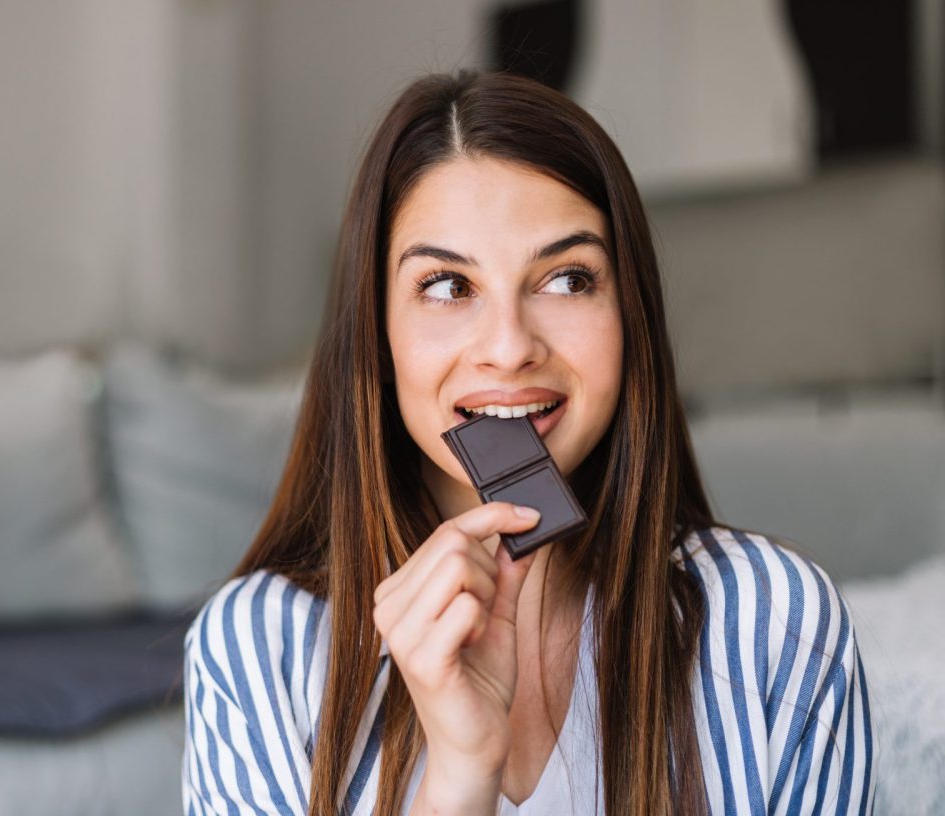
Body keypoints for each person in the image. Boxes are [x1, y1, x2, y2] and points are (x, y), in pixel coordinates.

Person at [180, 70, 875, 815]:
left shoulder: (779, 622)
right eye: (448, 286)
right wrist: (457, 778)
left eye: (568, 280)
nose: (509, 348)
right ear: (376, 336)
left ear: (631, 316)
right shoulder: (256, 651)